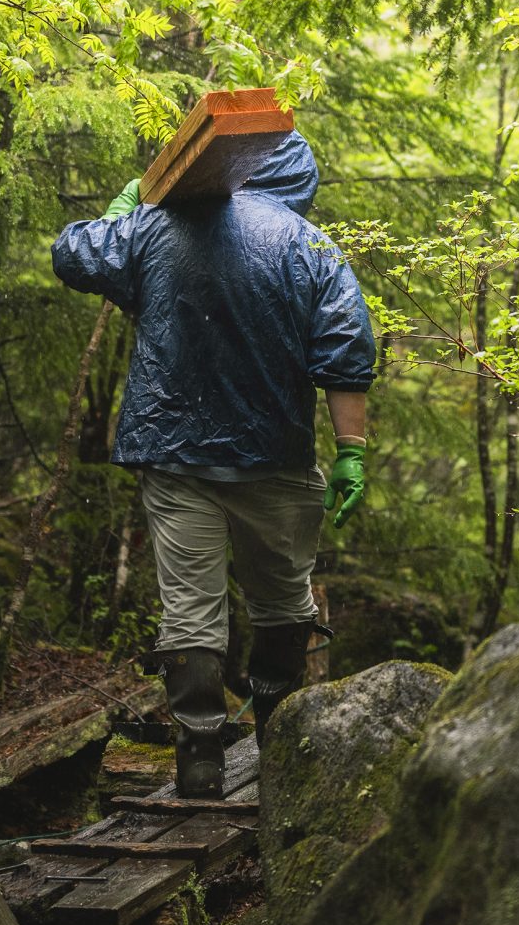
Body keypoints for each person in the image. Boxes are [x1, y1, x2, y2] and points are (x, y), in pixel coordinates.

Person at [51, 130, 377, 797]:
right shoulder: (312, 245)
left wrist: (126, 209)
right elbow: (345, 354)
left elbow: (71, 253)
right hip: (276, 461)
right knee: (284, 599)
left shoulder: (158, 224)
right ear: (299, 178)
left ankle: (199, 757)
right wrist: (350, 452)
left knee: (190, 609)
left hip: (174, 458)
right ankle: (278, 740)